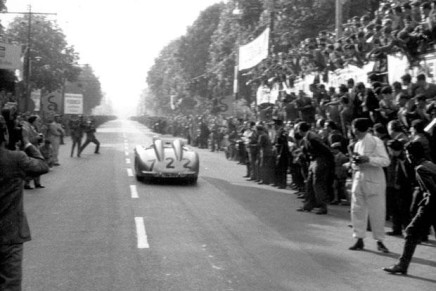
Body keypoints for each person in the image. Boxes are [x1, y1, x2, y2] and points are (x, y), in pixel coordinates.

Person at [0, 115, 49, 290]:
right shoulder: (15, 159)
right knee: (10, 284)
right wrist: (27, 144)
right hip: (10, 235)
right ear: (5, 134)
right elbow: (43, 166)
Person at [383, 141, 436, 275]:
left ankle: (402, 264)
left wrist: (424, 202)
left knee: (411, 231)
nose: (407, 157)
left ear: (412, 155)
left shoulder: (420, 169)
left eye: (408, 154)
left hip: (430, 206)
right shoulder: (430, 164)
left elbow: (433, 190)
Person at [349, 118, 391, 253]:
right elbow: (355, 163)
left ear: (356, 129)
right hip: (359, 177)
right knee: (357, 210)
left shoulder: (375, 141)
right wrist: (355, 162)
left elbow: (385, 161)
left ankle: (380, 240)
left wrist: (369, 159)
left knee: (377, 211)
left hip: (374, 179)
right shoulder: (357, 144)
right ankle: (359, 238)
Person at [296, 121, 334, 215]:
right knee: (309, 183)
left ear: (301, 130)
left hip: (320, 160)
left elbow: (325, 150)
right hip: (314, 160)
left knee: (317, 184)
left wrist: (328, 162)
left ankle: (322, 206)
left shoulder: (312, 138)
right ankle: (309, 204)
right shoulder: (308, 137)